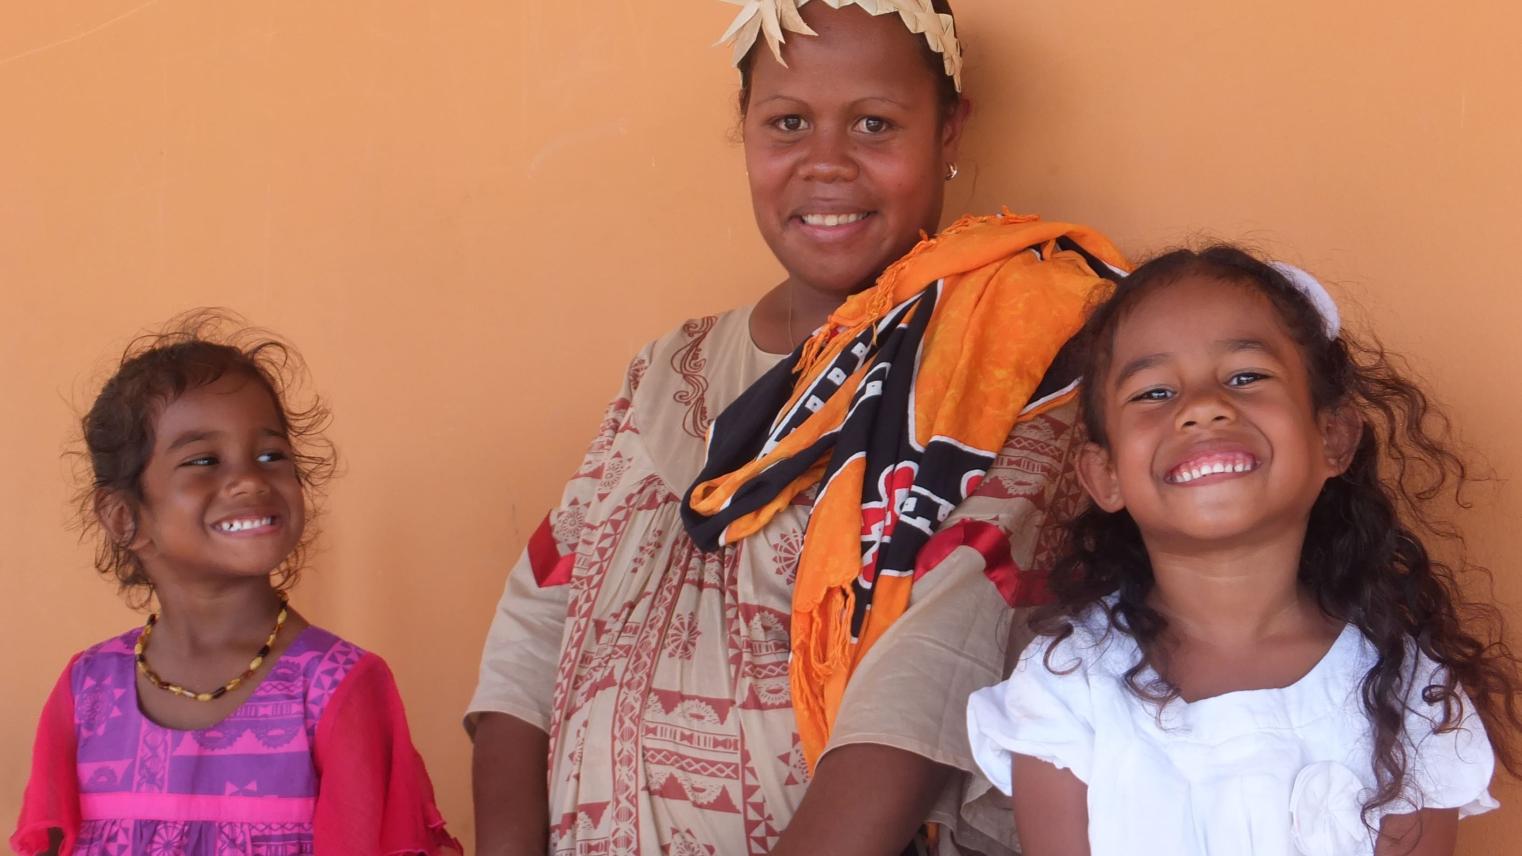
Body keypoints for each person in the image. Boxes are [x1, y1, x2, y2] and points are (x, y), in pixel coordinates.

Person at [468, 1, 1127, 854]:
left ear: (949, 130)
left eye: (874, 124)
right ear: (743, 129)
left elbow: (930, 681)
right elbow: (533, 627)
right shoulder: (667, 371)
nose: (826, 163)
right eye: (787, 122)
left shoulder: (998, 368)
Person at [966, 246, 1522, 855]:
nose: (1202, 406)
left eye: (1245, 377)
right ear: (1105, 476)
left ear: (1333, 437)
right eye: (1153, 393)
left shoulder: (1409, 692)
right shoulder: (1066, 689)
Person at [11, 315, 459, 856]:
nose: (250, 478)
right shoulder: (86, 693)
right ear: (124, 517)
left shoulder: (335, 687)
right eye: (203, 461)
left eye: (271, 455)